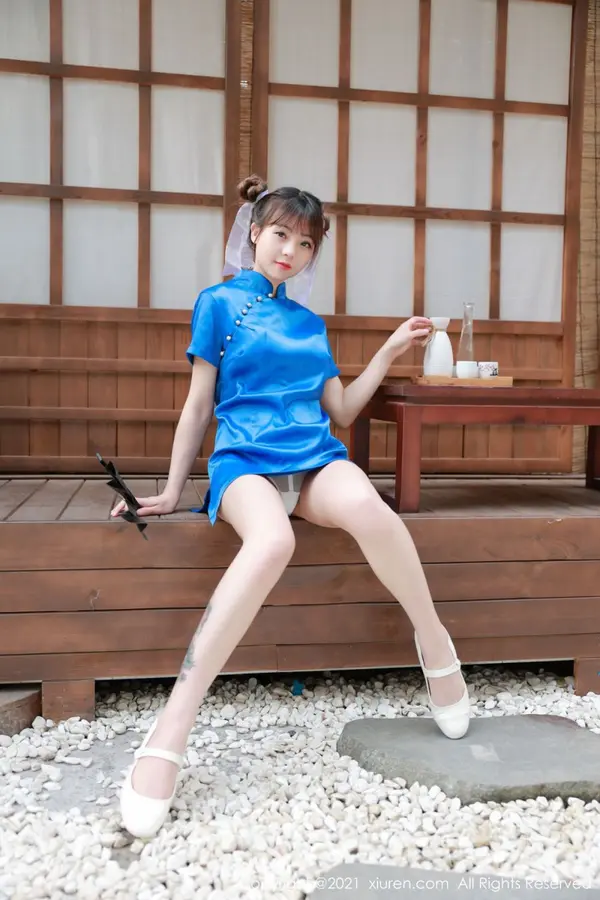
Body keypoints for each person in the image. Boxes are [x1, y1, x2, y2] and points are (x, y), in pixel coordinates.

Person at [112, 174, 471, 839]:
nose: (290, 251)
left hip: (312, 458)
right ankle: (173, 724)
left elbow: (341, 410)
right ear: (253, 233)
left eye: (305, 244)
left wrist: (390, 349)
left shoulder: (310, 324)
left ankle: (433, 637)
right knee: (272, 540)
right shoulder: (218, 303)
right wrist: (170, 489)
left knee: (370, 508)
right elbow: (198, 406)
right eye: (280, 235)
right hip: (244, 461)